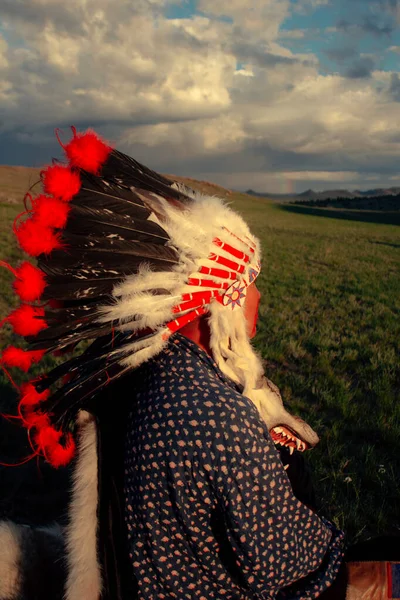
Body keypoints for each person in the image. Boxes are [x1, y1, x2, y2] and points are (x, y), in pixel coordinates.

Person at [0, 128, 395, 599]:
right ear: (217, 302)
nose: (260, 296)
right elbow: (298, 570)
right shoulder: (214, 417)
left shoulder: (138, 371)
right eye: (249, 281)